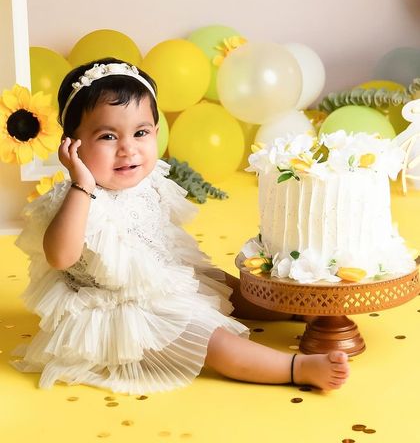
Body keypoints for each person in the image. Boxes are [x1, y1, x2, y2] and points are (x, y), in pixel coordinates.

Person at [13, 58, 349, 394]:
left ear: (156, 134)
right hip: (124, 314)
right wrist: (81, 184)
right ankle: (297, 368)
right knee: (212, 340)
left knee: (234, 289)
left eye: (140, 132)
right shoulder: (76, 196)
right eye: (107, 136)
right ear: (72, 146)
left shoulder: (146, 181)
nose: (128, 148)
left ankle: (294, 312)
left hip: (165, 281)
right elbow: (60, 257)